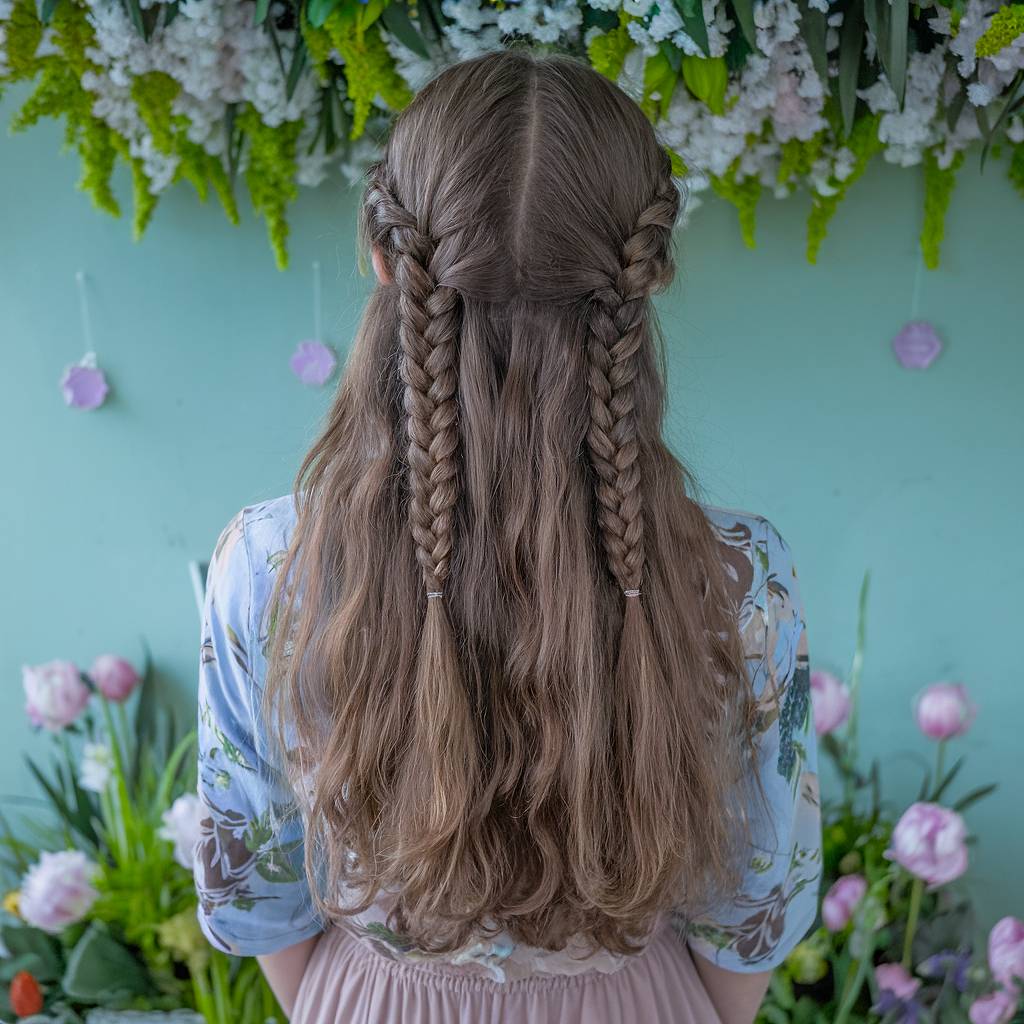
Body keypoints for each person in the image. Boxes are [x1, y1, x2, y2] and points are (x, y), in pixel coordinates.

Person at [194, 48, 821, 1024]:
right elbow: (754, 909)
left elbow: (252, 884)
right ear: (644, 278)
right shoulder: (735, 578)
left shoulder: (268, 565)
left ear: (380, 256)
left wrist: (352, 995)